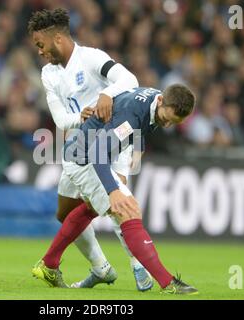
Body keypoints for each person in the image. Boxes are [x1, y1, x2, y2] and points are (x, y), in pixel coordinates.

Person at [28, 8, 153, 290]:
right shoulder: (49, 74)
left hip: (115, 139)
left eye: (40, 44)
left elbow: (130, 80)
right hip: (80, 146)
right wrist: (82, 116)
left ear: (57, 38)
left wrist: (106, 94)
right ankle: (101, 268)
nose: (39, 51)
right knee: (65, 212)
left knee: (118, 200)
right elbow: (61, 119)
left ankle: (140, 265)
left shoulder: (92, 58)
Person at [32, 84, 199, 295]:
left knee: (92, 207)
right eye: (167, 118)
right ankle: (168, 283)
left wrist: (138, 148)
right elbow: (98, 152)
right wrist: (113, 190)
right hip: (83, 158)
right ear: (160, 102)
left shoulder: (157, 99)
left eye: (173, 123)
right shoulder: (132, 115)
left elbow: (132, 129)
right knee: (128, 209)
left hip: (87, 151)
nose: (166, 125)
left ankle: (49, 264)